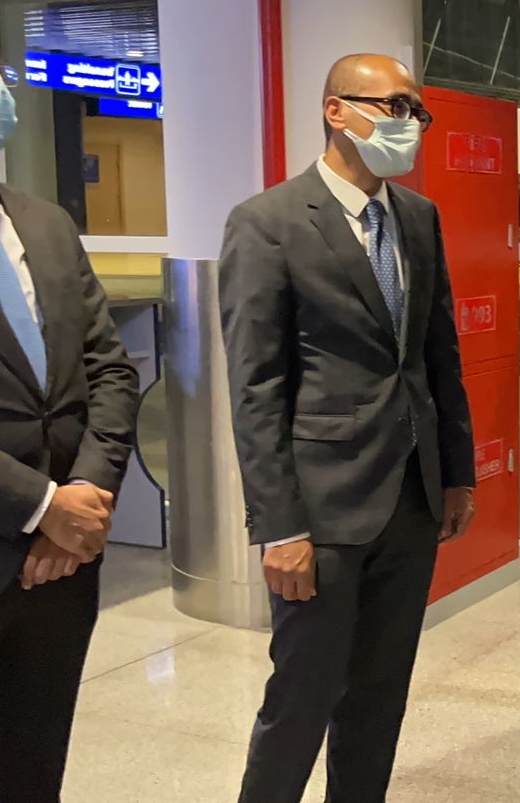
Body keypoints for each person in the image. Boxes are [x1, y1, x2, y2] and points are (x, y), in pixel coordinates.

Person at [219, 53, 477, 803]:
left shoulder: (418, 217)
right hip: (321, 508)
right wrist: (279, 526)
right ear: (336, 111)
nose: (410, 123)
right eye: (393, 106)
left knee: (379, 693)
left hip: (412, 498)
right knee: (304, 692)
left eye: (416, 110)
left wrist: (456, 473)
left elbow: (438, 355)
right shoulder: (267, 222)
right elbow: (256, 387)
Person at [0, 9, 138, 802]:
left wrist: (84, 496)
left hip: (62, 567)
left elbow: (109, 370)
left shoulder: (44, 223)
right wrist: (38, 505)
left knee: (28, 773)